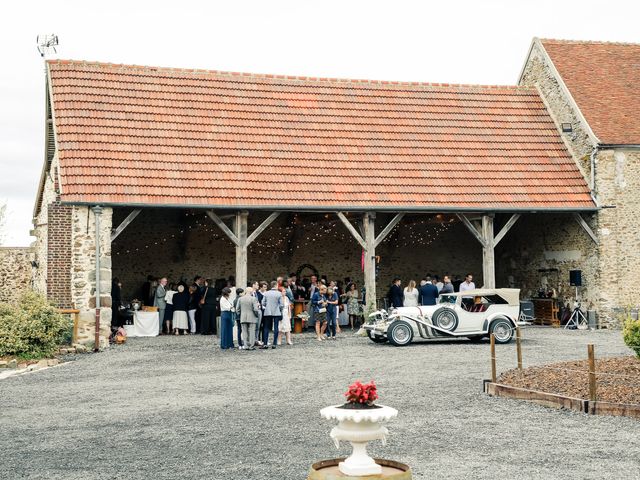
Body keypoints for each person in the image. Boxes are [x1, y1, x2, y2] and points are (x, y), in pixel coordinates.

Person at [261, 281, 283, 349]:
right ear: (276, 285)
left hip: (268, 311)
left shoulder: (266, 293)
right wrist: (279, 309)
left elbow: (263, 302)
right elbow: (281, 304)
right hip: (276, 312)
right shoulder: (279, 294)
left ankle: (265, 344)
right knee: (276, 327)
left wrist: (267, 306)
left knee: (266, 327)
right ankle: (274, 344)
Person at [256, 281, 268, 346]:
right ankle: (258, 340)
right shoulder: (257, 294)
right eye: (264, 287)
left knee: (265, 326)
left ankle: (265, 340)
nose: (265, 288)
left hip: (266, 311)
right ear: (260, 287)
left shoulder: (267, 293)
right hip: (260, 311)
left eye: (266, 287)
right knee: (259, 326)